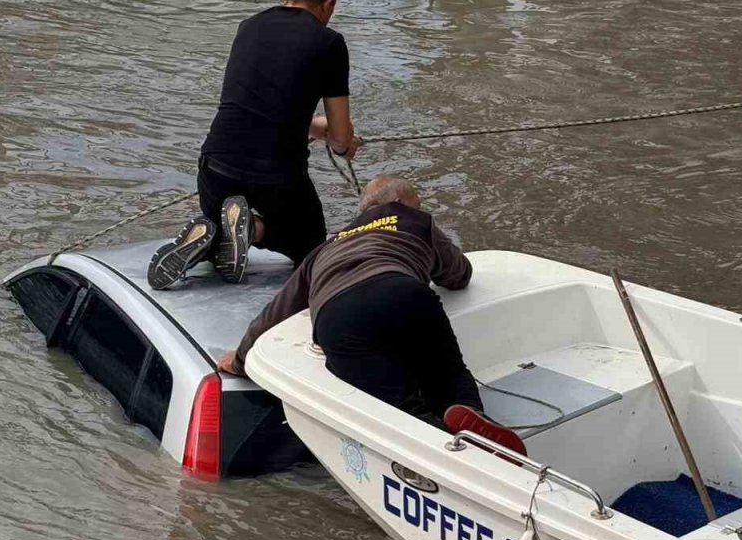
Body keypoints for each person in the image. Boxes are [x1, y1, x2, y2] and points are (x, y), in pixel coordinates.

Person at [217, 176, 526, 454]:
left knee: (397, 408)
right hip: (404, 291)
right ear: (400, 203)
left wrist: (242, 360)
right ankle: (471, 416)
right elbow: (459, 275)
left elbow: (276, 312)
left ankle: (443, 445)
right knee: (449, 373)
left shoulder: (328, 246)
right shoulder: (415, 222)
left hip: (340, 313)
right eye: (417, 202)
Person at [147, 0, 362, 291]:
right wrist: (345, 143)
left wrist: (314, 128)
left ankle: (218, 232)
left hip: (215, 167)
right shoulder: (329, 43)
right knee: (309, 243)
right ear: (329, 2)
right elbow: (339, 138)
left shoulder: (248, 26)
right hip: (275, 177)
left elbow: (261, 107)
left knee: (219, 221)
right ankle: (252, 231)